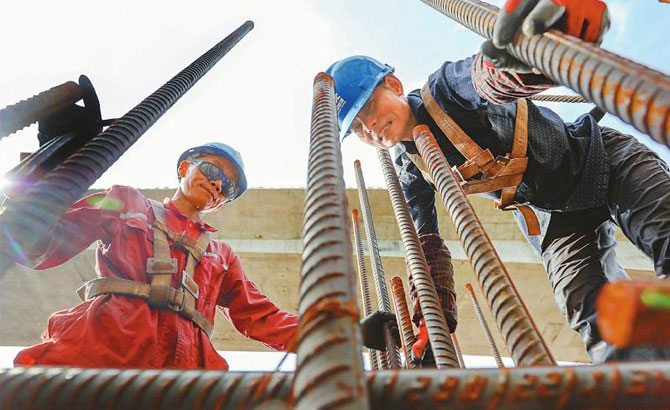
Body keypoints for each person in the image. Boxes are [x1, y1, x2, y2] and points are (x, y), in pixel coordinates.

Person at [326, 0, 670, 364]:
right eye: (358, 129)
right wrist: (433, 321)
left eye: (367, 109)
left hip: (601, 160)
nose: (369, 128)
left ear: (392, 84)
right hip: (553, 219)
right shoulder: (410, 169)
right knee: (596, 318)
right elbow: (426, 245)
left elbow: (485, 79)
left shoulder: (444, 89)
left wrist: (519, 59)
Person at [13, 142, 396, 369]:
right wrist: (35, 195)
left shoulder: (221, 255)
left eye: (226, 186)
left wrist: (351, 332)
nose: (217, 183)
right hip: (103, 352)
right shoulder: (124, 200)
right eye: (212, 170)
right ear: (184, 168)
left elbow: (263, 319)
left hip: (185, 374)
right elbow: (42, 246)